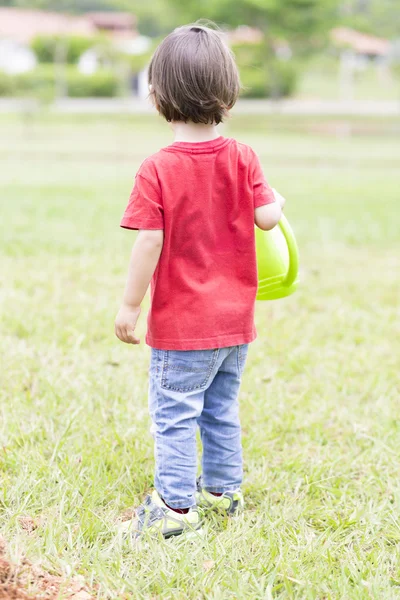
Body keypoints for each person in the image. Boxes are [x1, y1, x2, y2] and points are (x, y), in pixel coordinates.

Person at [115, 23, 285, 540]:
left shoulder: (157, 168)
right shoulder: (243, 157)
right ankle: (223, 492)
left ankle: (174, 509)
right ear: (228, 93)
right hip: (235, 323)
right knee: (220, 407)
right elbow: (268, 219)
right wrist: (278, 203)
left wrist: (129, 306)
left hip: (184, 325)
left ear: (157, 94)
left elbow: (149, 242)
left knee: (174, 414)